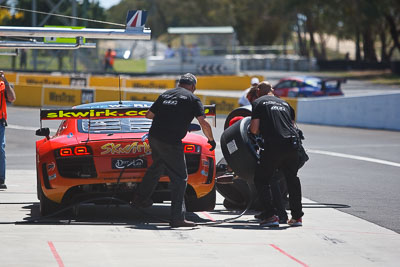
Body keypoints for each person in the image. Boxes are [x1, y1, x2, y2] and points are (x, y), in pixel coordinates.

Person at [133, 73, 216, 228]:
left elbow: (149, 115)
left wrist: (169, 115)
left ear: (179, 84)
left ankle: (141, 198)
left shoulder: (165, 95)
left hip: (154, 137)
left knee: (158, 166)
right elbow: (204, 123)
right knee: (180, 178)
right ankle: (177, 218)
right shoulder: (193, 99)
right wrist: (211, 140)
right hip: (170, 141)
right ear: (193, 87)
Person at [249, 81, 303, 227]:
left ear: (259, 90)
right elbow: (291, 126)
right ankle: (297, 217)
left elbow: (254, 129)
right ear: (272, 90)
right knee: (292, 179)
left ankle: (271, 215)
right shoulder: (285, 104)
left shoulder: (258, 102)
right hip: (292, 145)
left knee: (261, 179)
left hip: (274, 145)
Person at [0, 71, 16, 189]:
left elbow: (12, 98)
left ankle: (1, 178)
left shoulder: (3, 85)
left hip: (0, 122)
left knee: (0, 149)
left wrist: (5, 80)